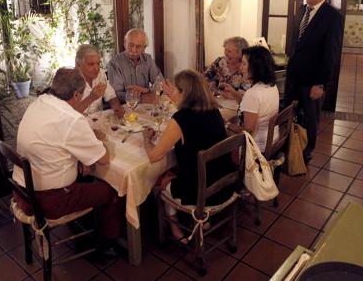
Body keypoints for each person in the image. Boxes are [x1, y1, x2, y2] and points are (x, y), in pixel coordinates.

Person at [12, 68, 123, 254]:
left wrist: (81, 162)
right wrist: (99, 139)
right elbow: (103, 159)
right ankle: (106, 244)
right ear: (77, 94)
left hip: (21, 191)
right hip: (47, 200)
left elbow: (55, 142)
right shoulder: (71, 119)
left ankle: (84, 226)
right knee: (112, 190)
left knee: (85, 172)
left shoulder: (39, 102)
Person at [142, 70, 236, 242]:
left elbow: (154, 156)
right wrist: (175, 99)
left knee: (160, 178)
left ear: (184, 93)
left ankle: (175, 228)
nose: (172, 93)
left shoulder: (181, 119)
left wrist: (146, 139)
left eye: (176, 90)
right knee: (173, 171)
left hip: (201, 193)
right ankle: (196, 222)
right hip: (225, 184)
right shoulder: (214, 110)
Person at [285, 0, 343, 162]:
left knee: (310, 119)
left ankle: (305, 153)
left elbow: (330, 55)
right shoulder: (302, 11)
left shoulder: (332, 17)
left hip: (312, 80)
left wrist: (320, 84)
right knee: (291, 115)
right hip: (294, 76)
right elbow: (297, 44)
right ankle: (289, 148)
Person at [221, 46, 280, 152]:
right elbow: (256, 105)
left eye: (244, 64)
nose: (240, 68)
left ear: (256, 67)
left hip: (256, 149)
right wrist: (235, 94)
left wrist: (226, 123)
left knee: (216, 136)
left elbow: (248, 132)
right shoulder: (270, 85)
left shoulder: (253, 94)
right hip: (272, 140)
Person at [107, 28, 164, 103]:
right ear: (124, 42)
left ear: (144, 48)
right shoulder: (115, 63)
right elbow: (115, 95)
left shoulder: (148, 59)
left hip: (145, 106)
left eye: (138, 46)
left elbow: (161, 83)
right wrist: (140, 98)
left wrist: (147, 90)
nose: (133, 50)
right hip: (125, 106)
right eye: (131, 45)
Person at [74, 44, 125, 118]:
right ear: (78, 64)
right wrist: (91, 97)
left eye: (98, 63)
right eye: (91, 64)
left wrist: (117, 108)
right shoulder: (70, 81)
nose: (96, 68)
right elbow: (70, 113)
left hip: (98, 120)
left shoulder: (100, 74)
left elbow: (111, 97)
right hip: (80, 123)